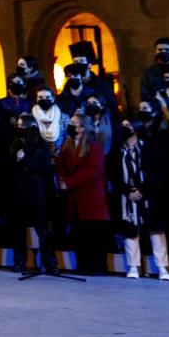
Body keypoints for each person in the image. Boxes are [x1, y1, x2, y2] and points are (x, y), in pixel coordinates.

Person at [112, 117, 169, 280]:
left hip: (148, 195)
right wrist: (127, 191)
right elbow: (113, 175)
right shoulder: (117, 150)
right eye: (122, 125)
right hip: (127, 197)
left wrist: (142, 190)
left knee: (156, 232)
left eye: (128, 125)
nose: (124, 128)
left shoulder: (149, 148)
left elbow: (157, 173)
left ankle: (162, 267)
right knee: (130, 232)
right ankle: (133, 266)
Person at [56, 113, 111, 273]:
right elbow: (61, 165)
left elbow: (93, 171)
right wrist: (61, 180)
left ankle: (97, 267)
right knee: (79, 235)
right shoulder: (68, 145)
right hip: (75, 198)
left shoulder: (94, 147)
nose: (70, 126)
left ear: (81, 127)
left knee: (93, 235)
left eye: (73, 123)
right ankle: (83, 265)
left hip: (91, 197)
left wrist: (69, 182)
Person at [9, 111, 58, 273]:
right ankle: (19, 261)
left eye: (23, 126)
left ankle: (49, 262)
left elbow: (44, 169)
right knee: (18, 229)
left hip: (37, 192)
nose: (20, 129)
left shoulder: (41, 146)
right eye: (18, 126)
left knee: (43, 229)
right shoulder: (15, 143)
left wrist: (26, 159)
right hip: (18, 192)